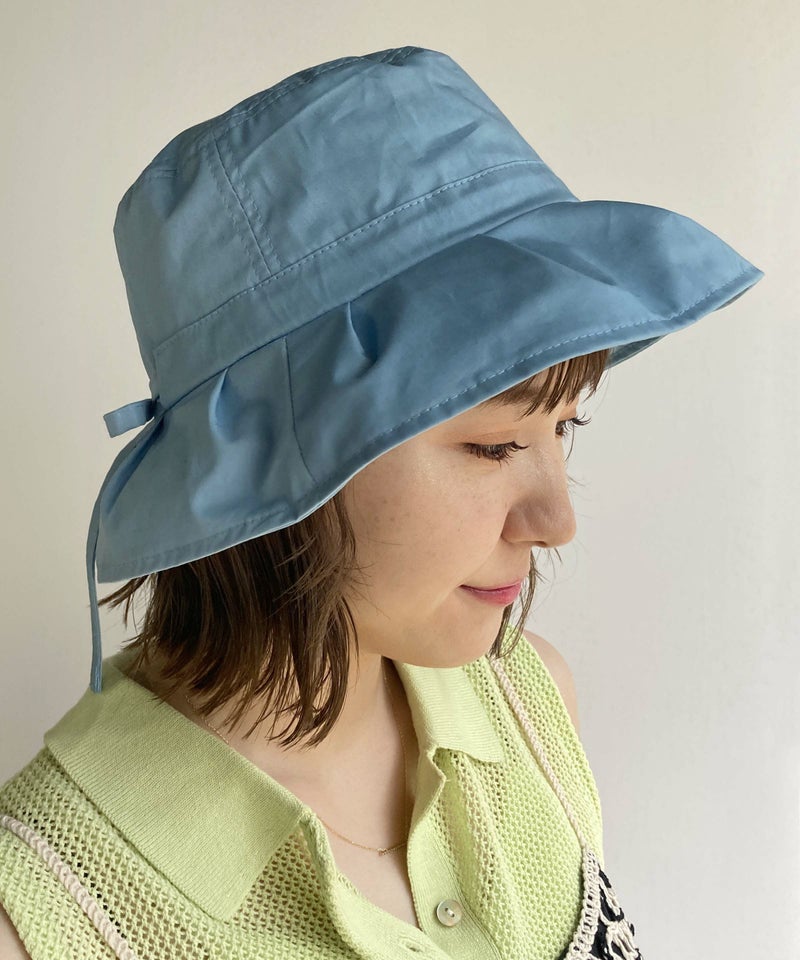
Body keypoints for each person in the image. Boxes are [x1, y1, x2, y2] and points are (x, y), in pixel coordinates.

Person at [0, 46, 763, 960]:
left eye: (565, 427)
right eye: (493, 445)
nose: (557, 521)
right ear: (278, 463)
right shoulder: (48, 913)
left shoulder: (529, 703)